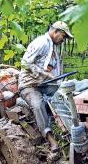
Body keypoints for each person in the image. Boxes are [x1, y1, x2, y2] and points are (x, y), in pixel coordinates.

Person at [18, 21, 73, 154]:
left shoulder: (52, 47)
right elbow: (25, 63)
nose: (63, 40)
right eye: (63, 36)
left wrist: (54, 78)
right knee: (38, 104)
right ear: (55, 32)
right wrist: (46, 74)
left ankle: (69, 125)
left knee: (66, 93)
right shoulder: (42, 43)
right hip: (30, 85)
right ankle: (50, 138)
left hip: (44, 84)